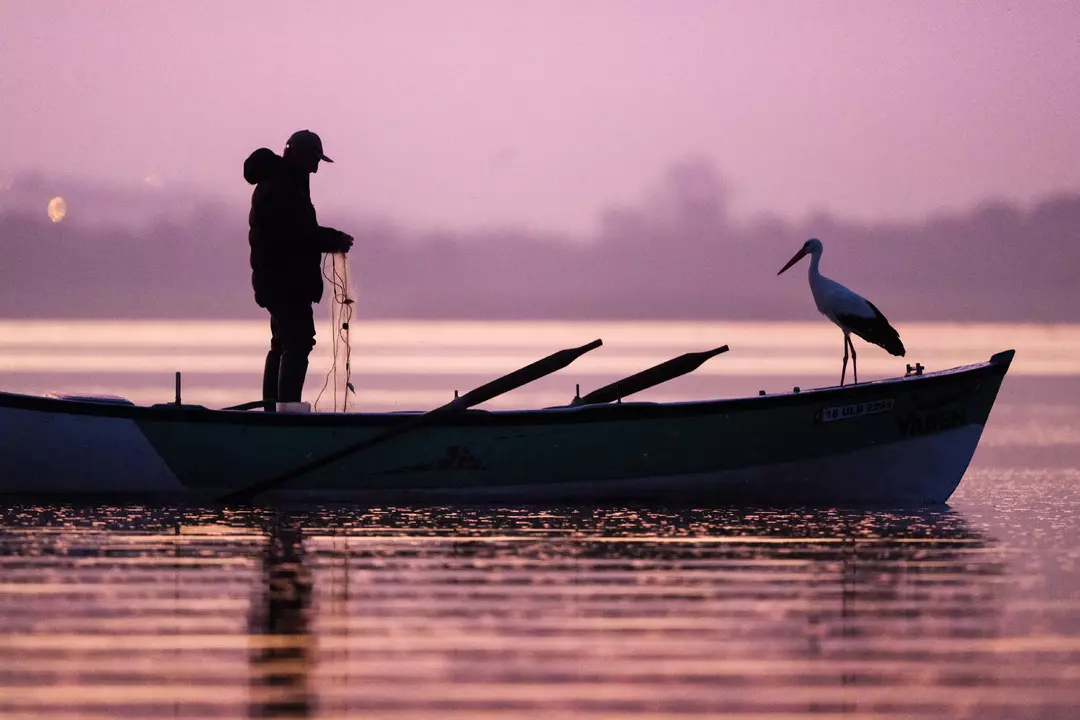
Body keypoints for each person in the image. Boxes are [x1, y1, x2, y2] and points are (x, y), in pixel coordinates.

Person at [243, 130, 353, 411]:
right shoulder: (280, 187)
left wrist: (330, 238)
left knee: (283, 342)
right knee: (298, 341)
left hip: (281, 281)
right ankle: (285, 412)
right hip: (284, 282)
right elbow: (297, 233)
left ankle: (273, 410)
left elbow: (299, 231)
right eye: (313, 159)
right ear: (296, 155)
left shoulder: (286, 183)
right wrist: (334, 239)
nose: (316, 168)